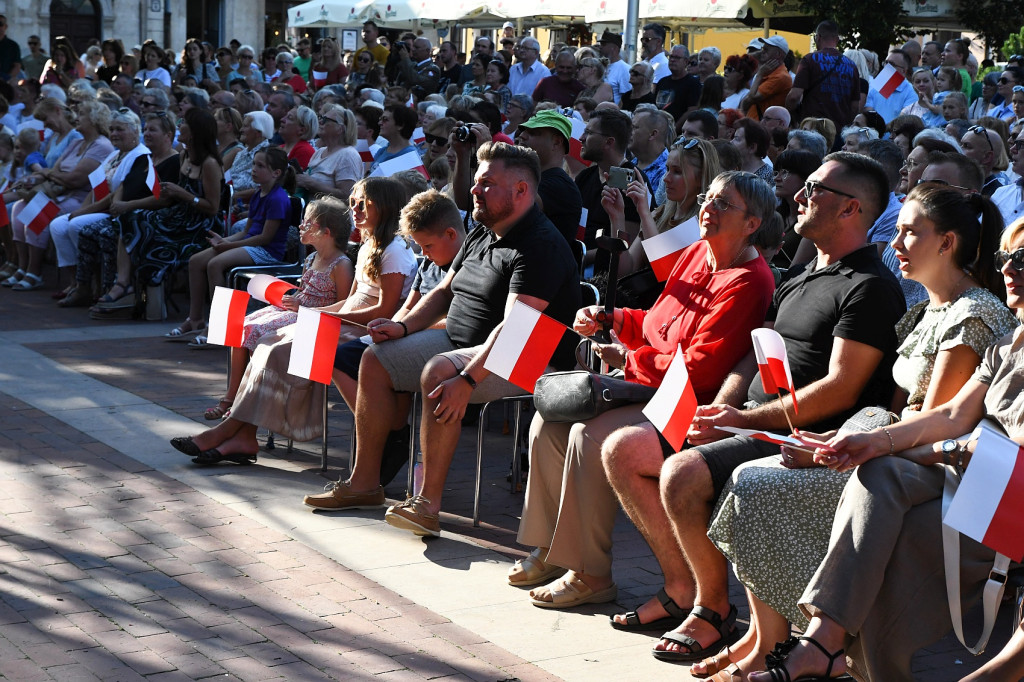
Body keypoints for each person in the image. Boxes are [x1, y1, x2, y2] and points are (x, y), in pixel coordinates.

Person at [704, 185, 1016, 680]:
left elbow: (938, 422)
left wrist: (848, 448)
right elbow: (925, 414)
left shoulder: (977, 314)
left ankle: (809, 643)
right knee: (753, 479)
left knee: (762, 486)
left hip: (960, 467)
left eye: (911, 233)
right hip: (922, 448)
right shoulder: (939, 309)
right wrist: (844, 442)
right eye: (896, 230)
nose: (894, 243)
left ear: (947, 243)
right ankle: (774, 639)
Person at [601, 152, 905, 661]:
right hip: (754, 421)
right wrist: (722, 408)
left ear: (851, 209)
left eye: (814, 189)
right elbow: (755, 352)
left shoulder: (869, 286)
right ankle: (690, 594)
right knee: (622, 450)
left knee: (681, 472)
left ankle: (713, 609)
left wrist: (743, 420)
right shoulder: (804, 273)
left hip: (807, 439)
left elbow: (839, 390)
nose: (800, 195)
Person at [515, 171, 777, 609]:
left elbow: (701, 368)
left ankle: (591, 573)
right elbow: (658, 323)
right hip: (645, 382)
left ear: (752, 224)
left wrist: (628, 359)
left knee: (588, 435)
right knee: (550, 419)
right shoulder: (696, 252)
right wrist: (613, 319)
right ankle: (549, 550)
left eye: (722, 204)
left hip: (685, 402)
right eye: (707, 197)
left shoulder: (751, 280)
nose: (707, 208)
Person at [302, 143, 581, 540]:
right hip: (462, 339)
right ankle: (364, 483)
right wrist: (403, 327)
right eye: (478, 182)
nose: (474, 190)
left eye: (487, 183)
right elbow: (446, 290)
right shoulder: (484, 230)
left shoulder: (542, 244)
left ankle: (427, 505)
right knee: (374, 357)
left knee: (440, 371)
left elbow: (517, 329)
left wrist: (467, 380)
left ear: (521, 191)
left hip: (529, 356)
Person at [172, 176, 417, 457]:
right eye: (353, 203)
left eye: (363, 204)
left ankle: (227, 432)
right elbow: (349, 302)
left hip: (362, 329)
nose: (355, 210)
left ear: (383, 208)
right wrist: (318, 314)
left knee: (280, 350)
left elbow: (384, 311)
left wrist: (321, 316)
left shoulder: (394, 251)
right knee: (265, 343)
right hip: (346, 321)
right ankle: (244, 437)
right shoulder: (368, 247)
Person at [205, 197, 355, 420]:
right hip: (295, 311)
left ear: (326, 232)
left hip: (314, 319)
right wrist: (283, 295)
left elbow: (345, 305)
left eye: (307, 223)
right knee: (241, 325)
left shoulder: (341, 264)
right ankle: (234, 396)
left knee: (256, 331)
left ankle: (246, 402)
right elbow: (304, 290)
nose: (300, 226)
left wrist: (304, 306)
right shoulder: (312, 257)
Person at [179, 147, 295, 340]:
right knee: (196, 261)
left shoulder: (278, 198)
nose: (254, 169)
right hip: (252, 245)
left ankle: (221, 325)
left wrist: (227, 246)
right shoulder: (258, 194)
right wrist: (224, 241)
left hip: (266, 251)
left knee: (215, 264)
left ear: (276, 173)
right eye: (253, 164)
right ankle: (195, 318)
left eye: (260, 166)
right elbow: (245, 231)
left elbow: (265, 238)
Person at [120, 109, 223, 323]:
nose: (179, 125)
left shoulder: (210, 164)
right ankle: (129, 287)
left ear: (194, 132)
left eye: (183, 122)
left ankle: (150, 297)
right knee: (131, 219)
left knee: (149, 233)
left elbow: (213, 207)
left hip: (198, 225)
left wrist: (183, 194)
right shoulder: (184, 155)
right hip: (178, 216)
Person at [5, 101, 114, 292]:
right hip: (60, 194)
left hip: (83, 198)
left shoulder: (102, 146)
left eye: (82, 114)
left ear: (94, 119)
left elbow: (75, 180)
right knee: (18, 207)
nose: (76, 117)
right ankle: (22, 266)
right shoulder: (76, 143)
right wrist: (46, 175)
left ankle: (34, 271)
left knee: (36, 211)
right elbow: (55, 171)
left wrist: (49, 174)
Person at [49, 109, 150, 307]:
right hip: (100, 207)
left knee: (76, 224)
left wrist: (83, 212)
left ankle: (92, 283)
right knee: (58, 225)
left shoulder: (140, 155)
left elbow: (117, 194)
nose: (113, 134)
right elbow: (96, 187)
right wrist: (80, 210)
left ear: (135, 131)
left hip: (114, 211)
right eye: (111, 129)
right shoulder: (114, 154)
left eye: (119, 129)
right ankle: (78, 282)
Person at [82, 112, 180, 313]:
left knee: (111, 231)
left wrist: (128, 206)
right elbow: (123, 186)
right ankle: (85, 287)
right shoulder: (145, 159)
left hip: (154, 217)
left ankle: (119, 285)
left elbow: (164, 198)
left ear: (168, 135)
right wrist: (118, 202)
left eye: (153, 130)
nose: (147, 133)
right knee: (87, 231)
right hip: (127, 213)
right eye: (145, 129)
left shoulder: (174, 161)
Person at [514, 110, 583, 251]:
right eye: (523, 131)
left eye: (532, 133)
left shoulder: (560, 186)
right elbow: (464, 202)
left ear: (556, 142)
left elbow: (514, 207)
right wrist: (463, 154)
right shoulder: (533, 178)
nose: (521, 136)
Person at [787, 21, 859, 129]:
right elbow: (854, 106)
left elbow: (794, 96)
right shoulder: (852, 65)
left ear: (818, 37)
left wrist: (791, 116)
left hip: (812, 128)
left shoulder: (809, 59)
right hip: (838, 131)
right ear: (837, 40)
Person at [225, 111, 272, 230]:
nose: (241, 129)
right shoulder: (241, 154)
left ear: (258, 132)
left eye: (245, 126)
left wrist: (232, 196)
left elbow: (264, 189)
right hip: (231, 204)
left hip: (253, 208)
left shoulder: (270, 155)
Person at [740, 36, 791, 121]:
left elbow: (752, 96)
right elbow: (747, 100)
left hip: (762, 127)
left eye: (766, 49)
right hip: (755, 123)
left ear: (778, 54)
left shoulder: (780, 77)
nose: (762, 51)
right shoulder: (770, 71)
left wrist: (759, 74)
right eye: (763, 48)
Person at [368, 105, 419, 175]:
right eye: (380, 119)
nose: (379, 123)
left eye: (385, 120)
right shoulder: (382, 151)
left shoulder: (410, 157)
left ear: (400, 125)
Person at [655, 46, 701, 124]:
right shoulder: (662, 82)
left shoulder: (693, 83)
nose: (672, 60)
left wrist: (674, 129)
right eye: (671, 56)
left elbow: (692, 110)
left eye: (677, 57)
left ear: (686, 62)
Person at [732, 118, 772, 183]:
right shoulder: (732, 168)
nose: (731, 142)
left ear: (752, 147)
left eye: (737, 139)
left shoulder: (768, 177)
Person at [279, 106, 316, 171]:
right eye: (285, 116)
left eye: (289, 118)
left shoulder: (305, 151)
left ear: (302, 130)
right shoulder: (279, 148)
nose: (282, 119)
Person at [597, 31, 630, 104]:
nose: (600, 46)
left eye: (604, 44)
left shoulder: (624, 69)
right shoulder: (602, 66)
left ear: (614, 48)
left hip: (612, 112)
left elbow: (627, 96)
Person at [0, 16, 21, 82]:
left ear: (5, 26)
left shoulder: (13, 46)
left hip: (5, 82)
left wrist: (6, 78)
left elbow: (17, 66)